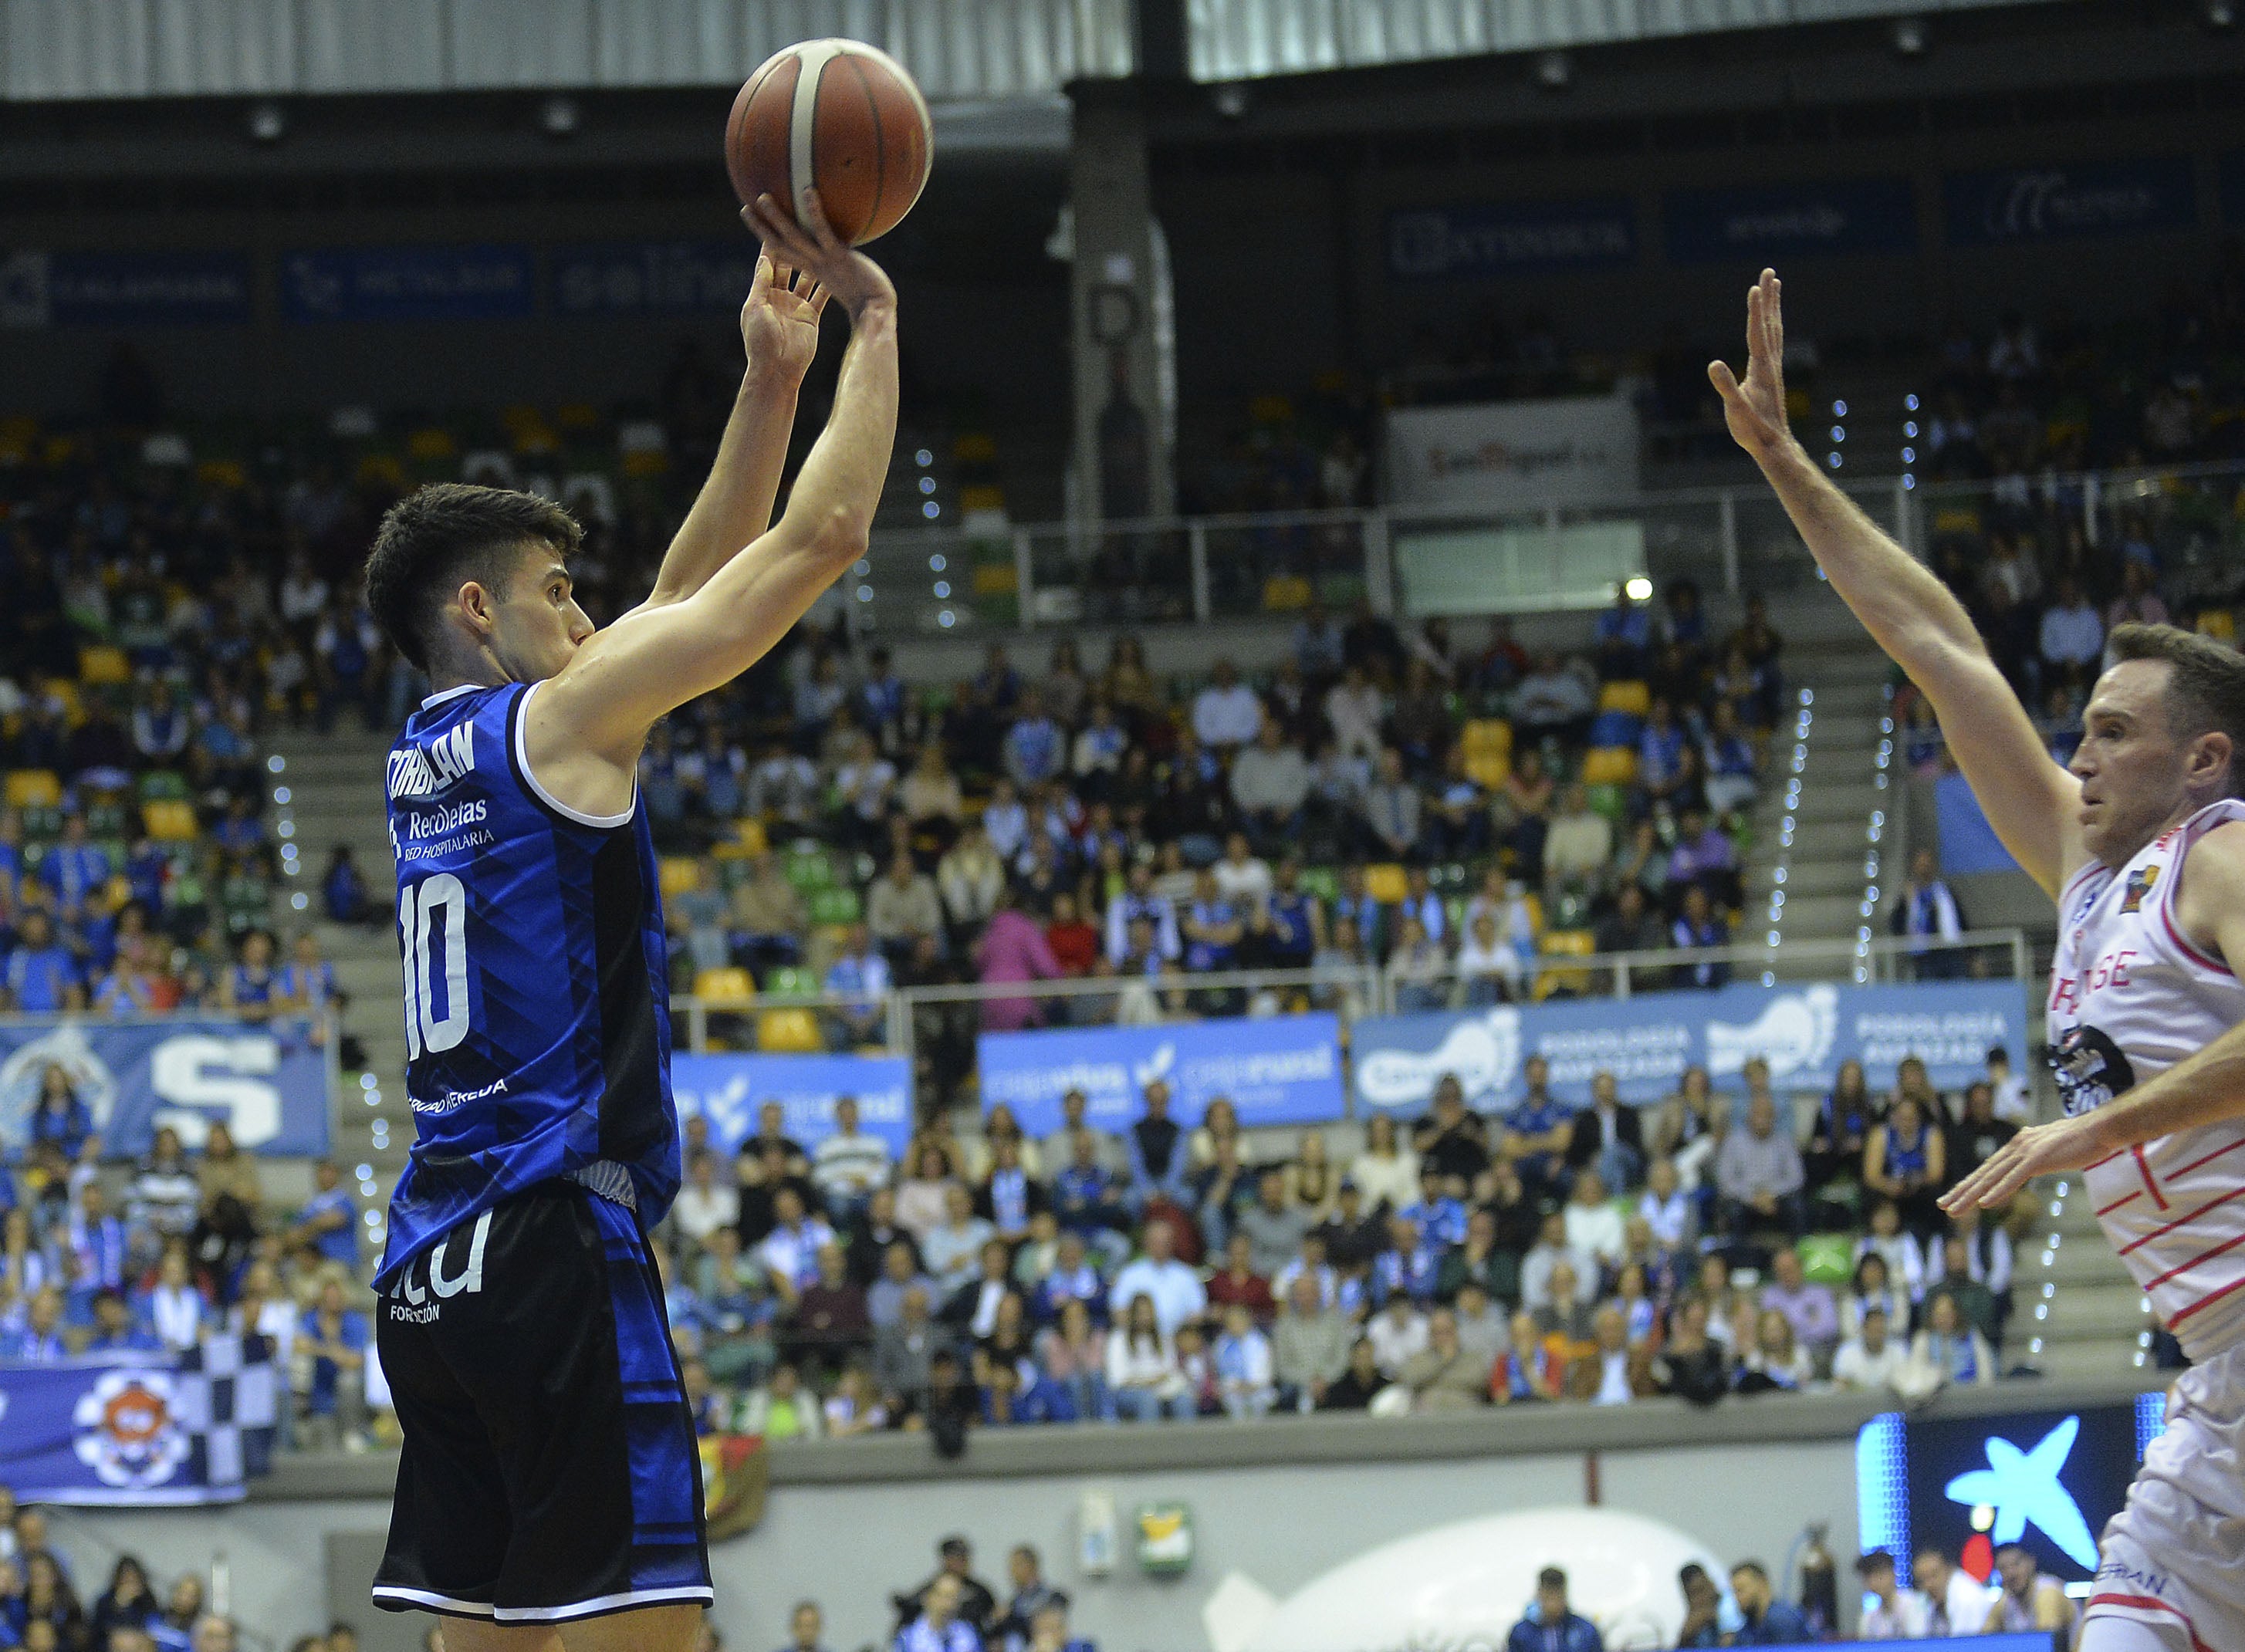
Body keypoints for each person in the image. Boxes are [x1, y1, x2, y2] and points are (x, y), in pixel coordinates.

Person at [354, 193, 899, 1637]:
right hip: (546, 1243)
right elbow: (823, 536)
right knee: (657, 1631)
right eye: (555, 592)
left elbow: (673, 596)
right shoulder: (557, 726)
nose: (584, 615)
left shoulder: (427, 760)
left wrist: (770, 379)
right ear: (480, 608)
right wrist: (873, 326)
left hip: (428, 1264)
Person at [1725, 265, 2245, 1652]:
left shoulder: (2222, 850)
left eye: (2109, 733)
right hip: (2216, 1375)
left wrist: (2093, 1135)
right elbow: (1935, 641)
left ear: (2201, 758)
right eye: (2075, 727)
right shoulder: (2090, 880)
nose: (2073, 754)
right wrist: (1783, 463)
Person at [1985, 1543, 2079, 1644]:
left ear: (2031, 1563)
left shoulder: (2048, 1593)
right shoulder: (2004, 1601)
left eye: (2016, 1564)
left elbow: (2045, 1645)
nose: (2011, 1573)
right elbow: (1981, 1642)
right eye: (2003, 1568)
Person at [1503, 1566, 1602, 1652]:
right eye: (1548, 1596)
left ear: (1565, 1594)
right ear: (1539, 1594)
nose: (1553, 1604)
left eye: (1557, 1596)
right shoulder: (1521, 1633)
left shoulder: (1586, 1631)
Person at [1913, 1545, 1997, 1637]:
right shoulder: (1929, 1601)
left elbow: (1964, 1646)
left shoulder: (1966, 1597)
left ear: (1949, 1569)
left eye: (1934, 1575)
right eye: (1922, 1580)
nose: (1928, 1585)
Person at [1726, 1559, 1810, 1645]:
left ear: (1762, 1584)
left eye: (1741, 1590)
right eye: (1735, 1592)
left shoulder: (1781, 1619)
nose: (1737, 1597)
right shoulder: (1748, 1628)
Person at [1854, 1550, 1929, 1640]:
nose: (1874, 1582)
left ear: (1893, 1573)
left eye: (1879, 1575)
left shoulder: (1914, 1603)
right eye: (1868, 1577)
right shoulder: (1868, 1619)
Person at [895, 1576, 980, 1652]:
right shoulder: (908, 1636)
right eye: (945, 1596)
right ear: (928, 1598)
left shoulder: (969, 1635)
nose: (949, 1604)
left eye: (955, 1598)